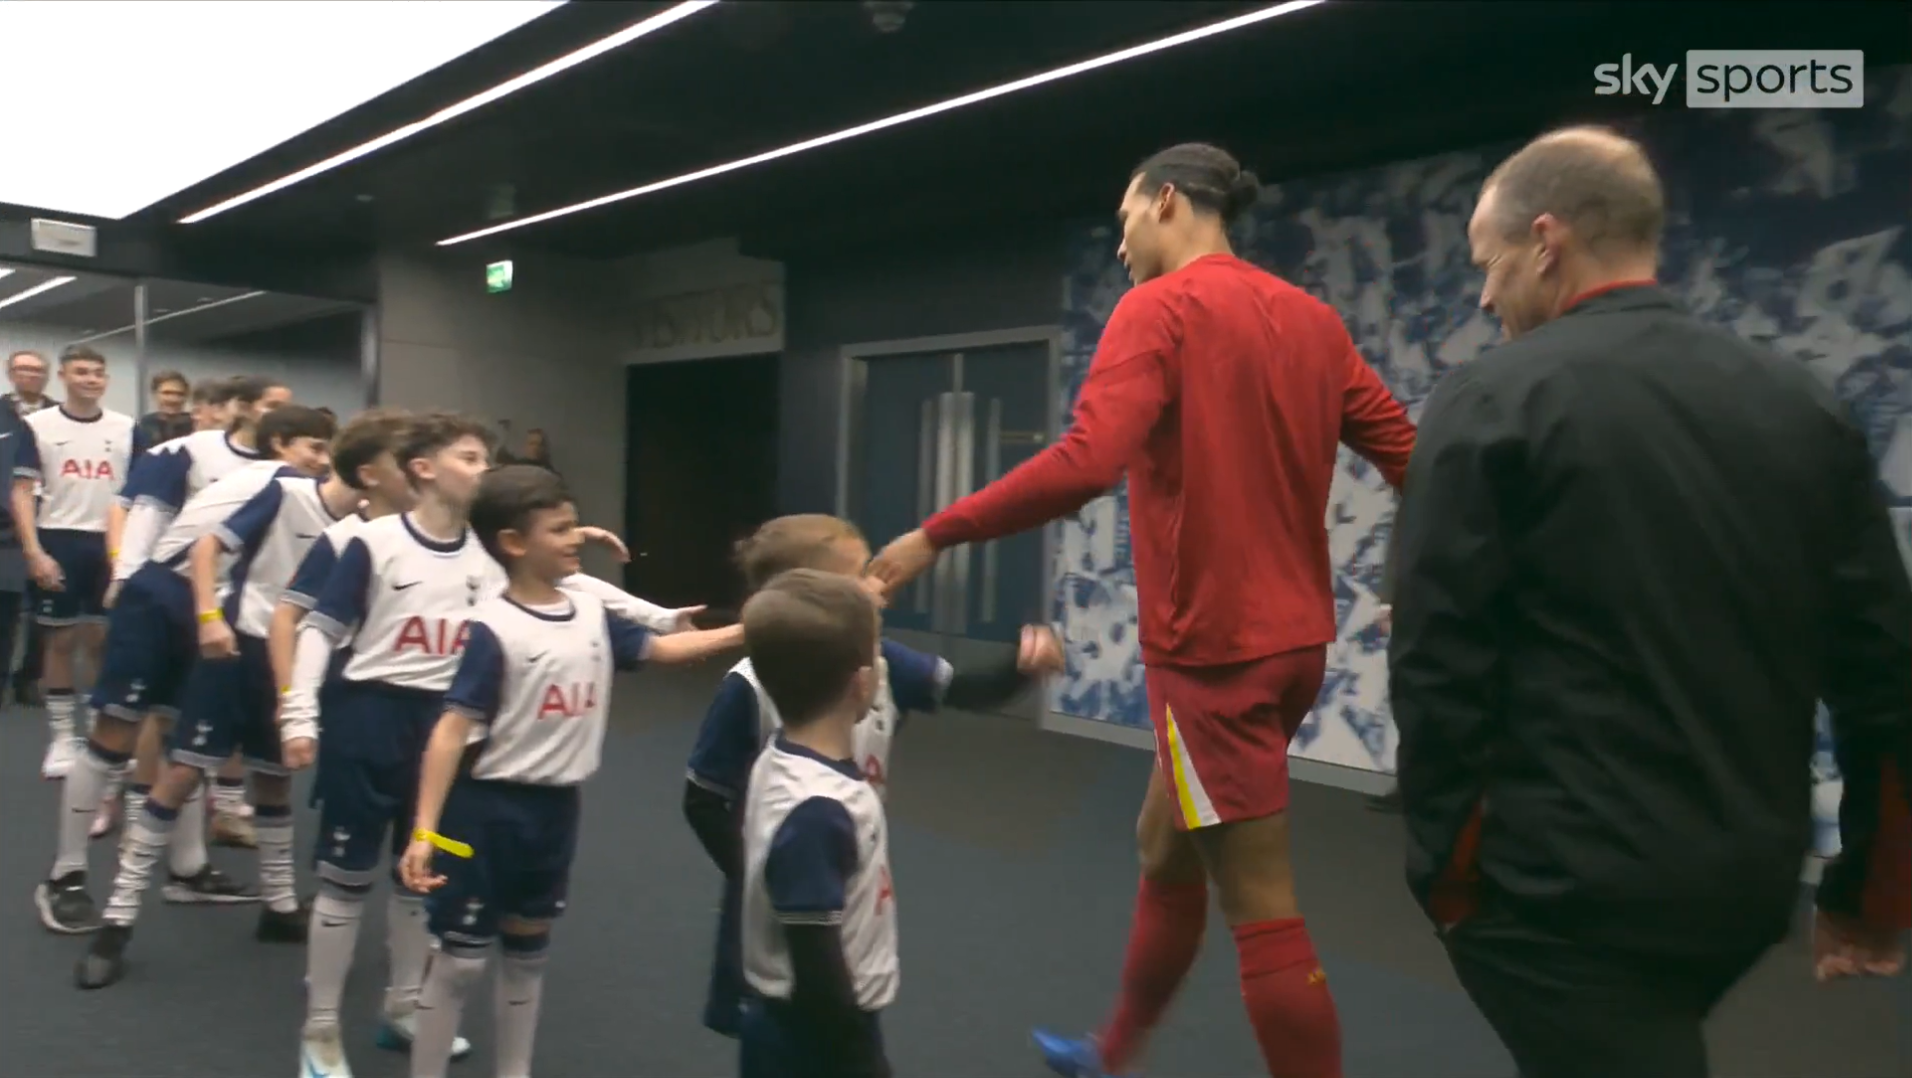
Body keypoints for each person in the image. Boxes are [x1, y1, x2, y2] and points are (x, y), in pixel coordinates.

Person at [868, 143, 1418, 1078]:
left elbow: (1085, 462)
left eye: (1124, 219)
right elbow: (1413, 456)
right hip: (1292, 651)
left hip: (1214, 663)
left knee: (1261, 905)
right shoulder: (1313, 320)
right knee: (1162, 844)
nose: (1120, 243)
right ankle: (1111, 1052)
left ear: (1167, 202)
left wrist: (936, 534)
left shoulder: (1157, 309)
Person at [1387, 125, 1912, 1078]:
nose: (1484, 294)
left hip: (1560, 894)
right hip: (1744, 883)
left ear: (1546, 241)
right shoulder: (1801, 402)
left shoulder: (1492, 399)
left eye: (1489, 264)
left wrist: (1448, 877)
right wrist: (1871, 891)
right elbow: (1884, 671)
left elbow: (1436, 665)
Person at [278, 412, 690, 1076]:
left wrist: (657, 617)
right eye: (470, 458)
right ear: (424, 469)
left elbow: (573, 585)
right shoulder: (370, 542)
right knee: (346, 877)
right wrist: (298, 714)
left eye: (487, 460)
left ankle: (404, 1007)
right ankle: (319, 1028)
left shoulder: (490, 546)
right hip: (373, 717)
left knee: (423, 875)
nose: (485, 470)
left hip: (453, 726)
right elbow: (318, 628)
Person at [397, 465, 745, 1078]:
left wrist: (753, 629)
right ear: (513, 543)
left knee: (528, 955)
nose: (574, 539)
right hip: (482, 812)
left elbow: (664, 649)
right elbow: (450, 731)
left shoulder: (589, 612)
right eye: (559, 530)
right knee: (461, 961)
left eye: (572, 526)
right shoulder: (493, 627)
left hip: (555, 810)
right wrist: (424, 830)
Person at [685, 513, 1062, 1038]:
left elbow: (965, 691)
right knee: (779, 1010)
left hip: (850, 859)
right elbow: (703, 798)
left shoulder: (880, 663)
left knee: (849, 989)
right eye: (860, 576)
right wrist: (756, 873)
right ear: (810, 595)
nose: (880, 586)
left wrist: (1018, 669)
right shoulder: (747, 689)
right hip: (785, 866)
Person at [75, 405, 346, 986]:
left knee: (274, 777)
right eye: (313, 446)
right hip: (223, 637)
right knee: (178, 769)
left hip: (282, 655)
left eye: (327, 448)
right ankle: (115, 919)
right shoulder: (277, 484)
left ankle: (279, 906)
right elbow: (201, 548)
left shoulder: (361, 527)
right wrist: (205, 617)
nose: (319, 459)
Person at [105, 374, 292, 847]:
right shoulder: (186, 451)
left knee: (212, 713)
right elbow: (135, 514)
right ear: (238, 407)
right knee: (159, 714)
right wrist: (124, 576)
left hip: (237, 597)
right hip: (177, 588)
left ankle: (215, 820)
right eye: (272, 405)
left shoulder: (285, 469)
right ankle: (133, 809)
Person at [735, 569, 896, 1078]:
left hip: (797, 1025)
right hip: (813, 1036)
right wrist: (862, 1060)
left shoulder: (778, 758)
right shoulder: (821, 810)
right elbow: (816, 961)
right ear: (861, 683)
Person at [13, 346, 152, 782]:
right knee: (60, 641)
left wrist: (132, 553)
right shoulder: (37, 425)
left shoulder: (127, 428)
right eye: (82, 372)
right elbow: (21, 492)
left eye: (98, 373)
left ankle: (97, 734)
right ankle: (61, 738)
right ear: (64, 377)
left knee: (100, 641)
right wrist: (34, 551)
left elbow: (140, 494)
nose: (91, 379)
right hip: (58, 537)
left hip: (109, 541)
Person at [137, 370, 195, 446]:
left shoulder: (196, 425)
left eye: (179, 394)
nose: (173, 399)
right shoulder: (144, 426)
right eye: (167, 393)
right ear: (154, 394)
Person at [4, 348, 59, 416]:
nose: (32, 375)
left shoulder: (61, 414)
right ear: (10, 374)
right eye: (24, 369)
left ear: (47, 376)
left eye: (38, 370)